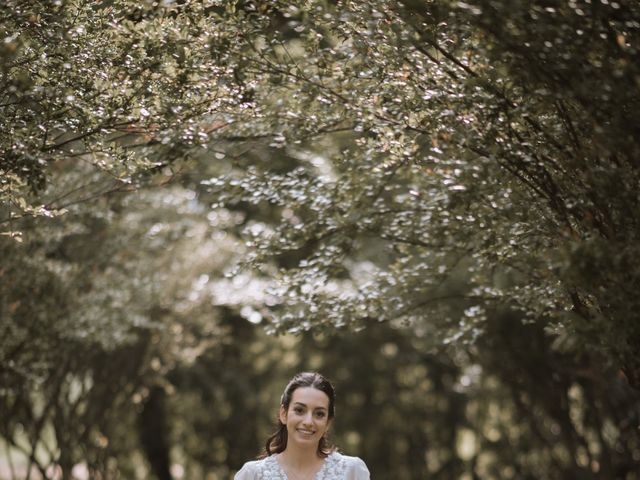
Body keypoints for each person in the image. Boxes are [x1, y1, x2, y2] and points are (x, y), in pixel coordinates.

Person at [234, 372, 370, 480]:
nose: (308, 421)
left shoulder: (352, 471)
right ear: (284, 414)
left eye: (319, 414)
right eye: (299, 410)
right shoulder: (252, 475)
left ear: (328, 422)